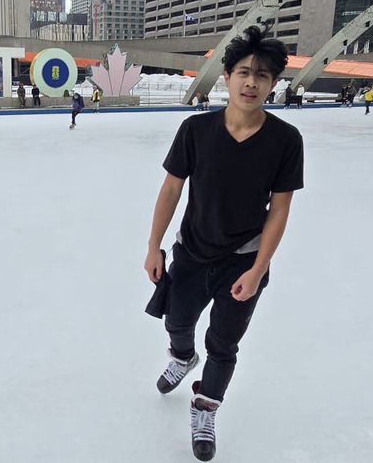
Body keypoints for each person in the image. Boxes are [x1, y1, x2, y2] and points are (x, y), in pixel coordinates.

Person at [144, 25, 303, 462]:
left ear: (273, 83)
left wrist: (257, 270)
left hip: (244, 261)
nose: (252, 83)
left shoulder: (285, 139)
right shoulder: (196, 129)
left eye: (262, 76)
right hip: (191, 254)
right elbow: (171, 189)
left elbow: (279, 210)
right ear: (228, 77)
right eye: (244, 73)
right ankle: (182, 357)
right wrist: (154, 246)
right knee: (177, 322)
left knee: (224, 344)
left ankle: (205, 407)